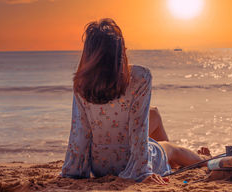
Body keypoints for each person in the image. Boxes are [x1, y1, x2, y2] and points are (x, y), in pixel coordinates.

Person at [61, 18, 211, 184]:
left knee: (154, 114)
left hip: (99, 167)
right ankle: (204, 160)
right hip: (130, 165)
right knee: (169, 147)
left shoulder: (81, 83)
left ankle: (171, 164)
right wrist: (141, 172)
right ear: (120, 51)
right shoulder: (139, 77)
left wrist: (72, 171)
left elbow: (80, 133)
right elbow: (138, 128)